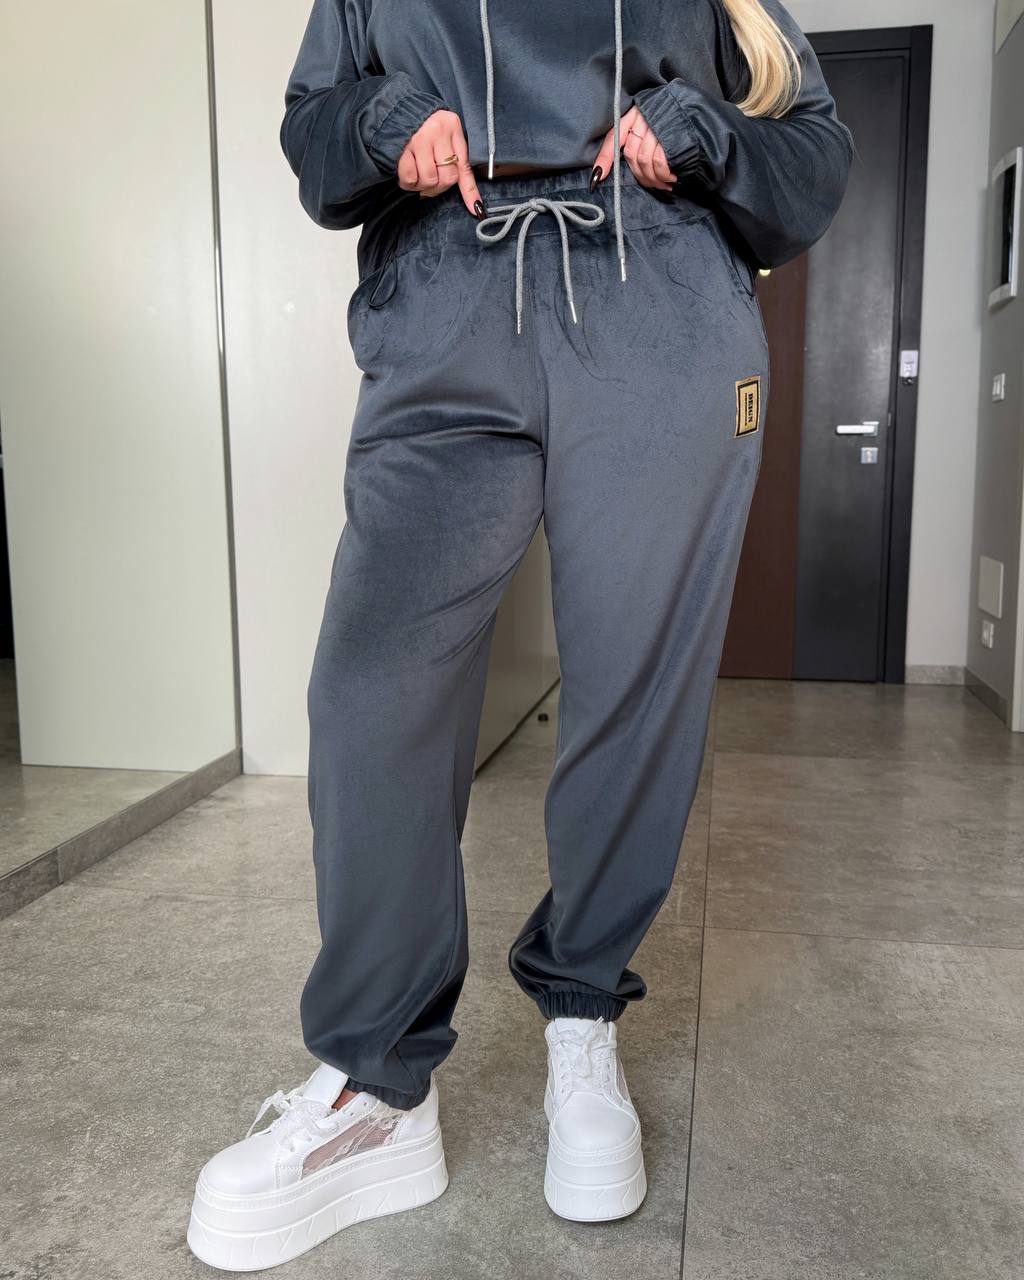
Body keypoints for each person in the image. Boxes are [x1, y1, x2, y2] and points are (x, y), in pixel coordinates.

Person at [187, 0, 853, 1268]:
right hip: (446, 304)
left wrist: (707, 130)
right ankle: (377, 1084)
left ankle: (582, 1017)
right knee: (371, 694)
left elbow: (812, 154)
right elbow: (313, 130)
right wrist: (384, 120)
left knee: (633, 689)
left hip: (658, 309)